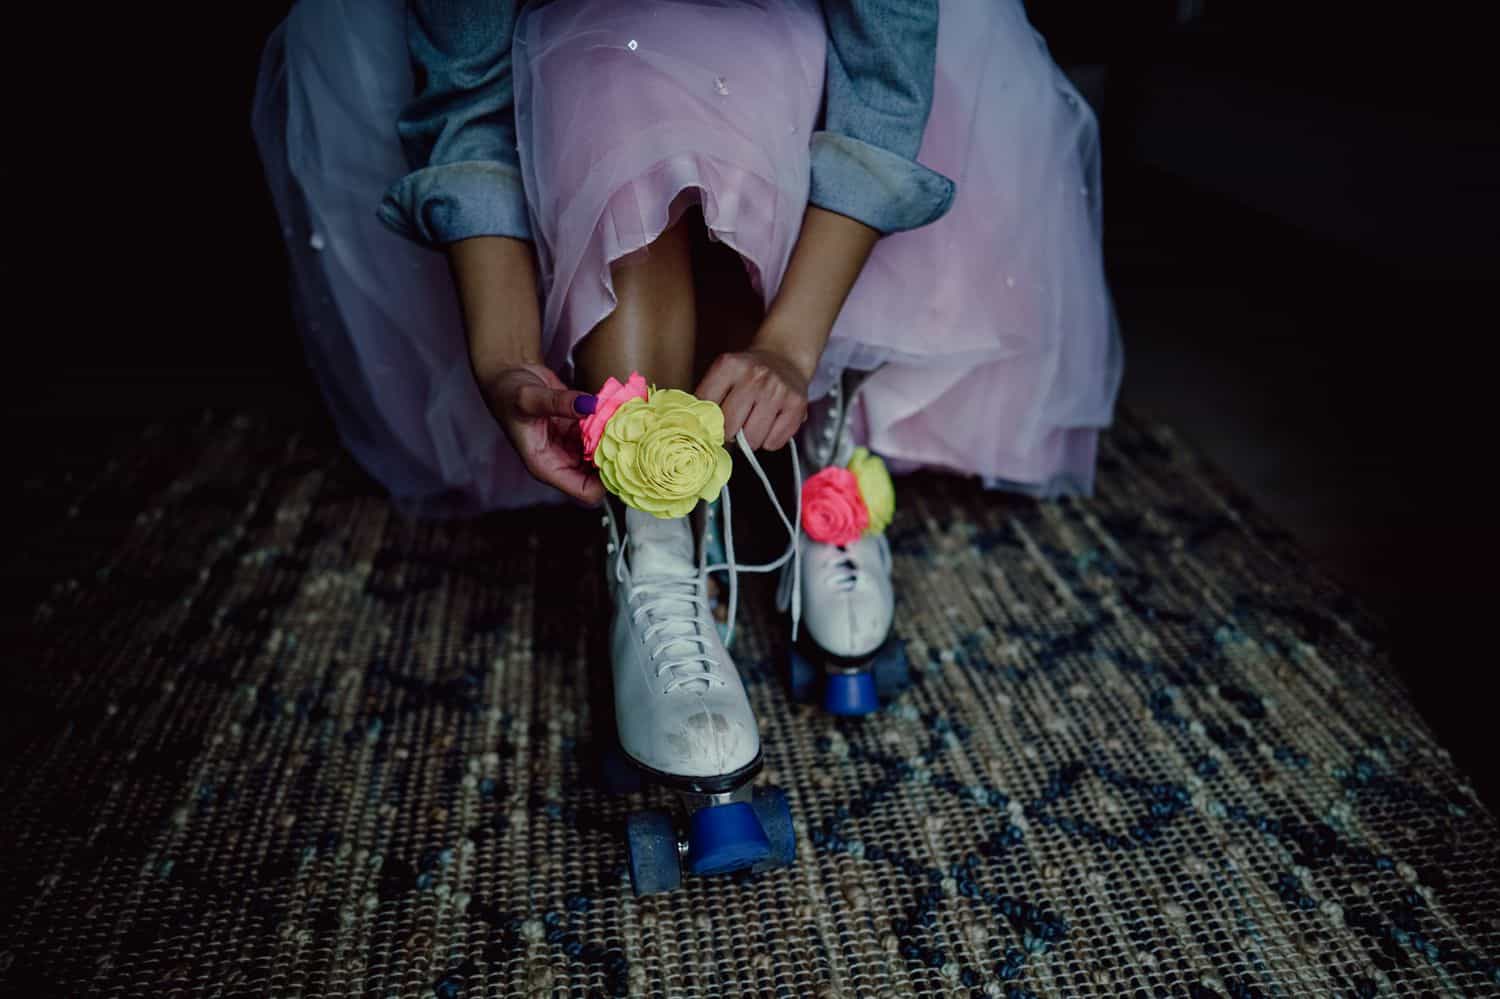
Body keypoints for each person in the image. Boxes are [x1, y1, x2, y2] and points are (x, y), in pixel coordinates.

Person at [254, 0, 1120, 815]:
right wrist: (505, 356)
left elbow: (886, 77)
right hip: (586, 59)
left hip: (830, 47)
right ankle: (655, 547)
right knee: (611, 74)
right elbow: (466, 85)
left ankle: (825, 448)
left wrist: (792, 346)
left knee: (825, 68)